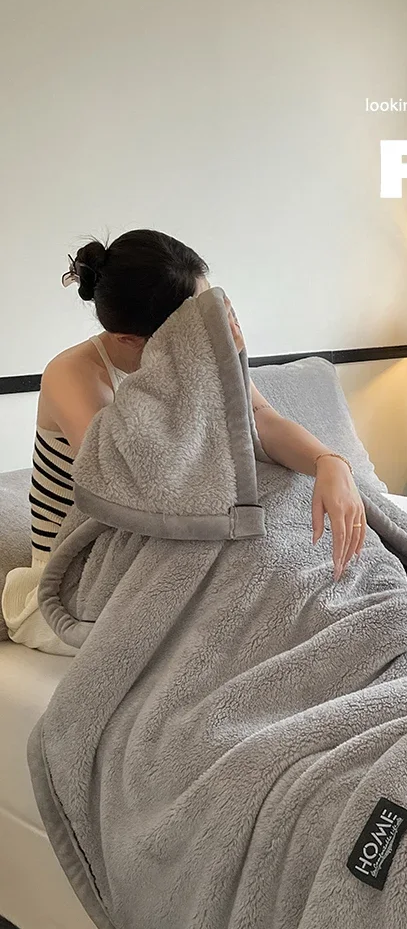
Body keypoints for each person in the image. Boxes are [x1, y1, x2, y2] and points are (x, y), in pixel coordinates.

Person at [2, 229, 367, 653]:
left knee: (288, 523)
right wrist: (206, 370)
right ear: (128, 339)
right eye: (193, 323)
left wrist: (328, 462)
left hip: (158, 548)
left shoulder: (203, 357)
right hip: (79, 578)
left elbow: (261, 421)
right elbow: (136, 485)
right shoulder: (72, 374)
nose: (208, 328)